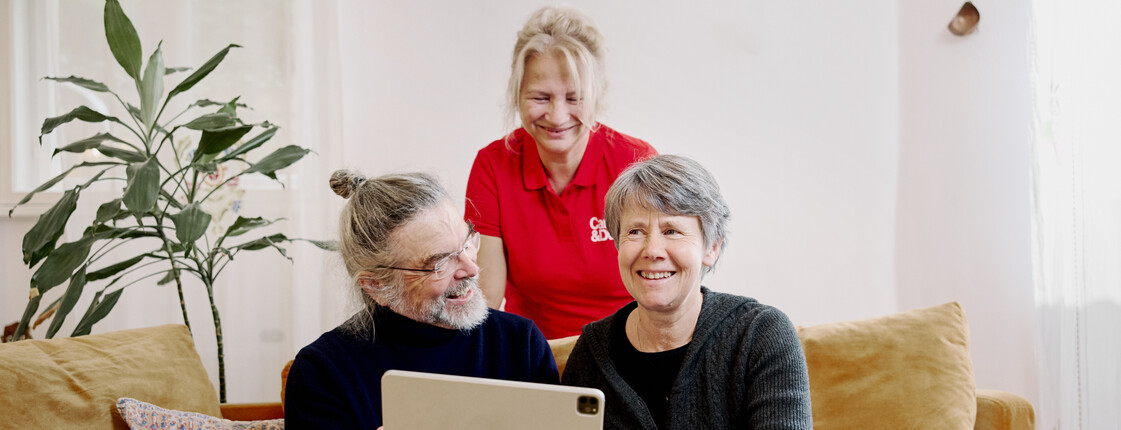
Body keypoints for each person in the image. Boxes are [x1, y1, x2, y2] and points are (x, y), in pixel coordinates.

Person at [284, 170, 559, 429]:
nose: (471, 269)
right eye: (440, 263)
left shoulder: (519, 342)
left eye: (467, 244)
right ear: (376, 285)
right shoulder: (323, 371)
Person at [561, 155, 813, 429]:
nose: (652, 251)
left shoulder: (760, 335)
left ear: (711, 248)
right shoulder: (591, 350)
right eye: (635, 231)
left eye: (671, 231)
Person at [466, 6, 658, 339]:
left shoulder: (637, 162)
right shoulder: (492, 165)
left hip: (627, 353)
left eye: (574, 98)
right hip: (535, 356)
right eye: (540, 97)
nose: (556, 117)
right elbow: (487, 302)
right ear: (518, 95)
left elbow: (661, 290)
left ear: (595, 97)